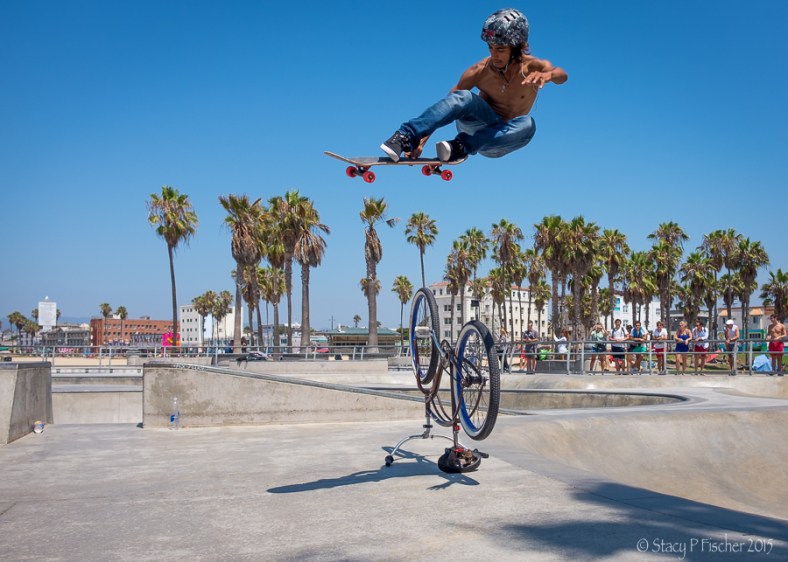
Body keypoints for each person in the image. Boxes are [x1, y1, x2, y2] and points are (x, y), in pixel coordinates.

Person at [380, 9, 568, 163]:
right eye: (491, 48)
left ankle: (460, 147)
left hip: (502, 139)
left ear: (517, 47)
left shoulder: (533, 67)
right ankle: (405, 136)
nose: (494, 56)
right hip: (476, 125)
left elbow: (562, 75)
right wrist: (421, 141)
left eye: (500, 50)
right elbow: (449, 105)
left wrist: (548, 75)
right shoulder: (479, 70)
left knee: (528, 124)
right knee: (464, 97)